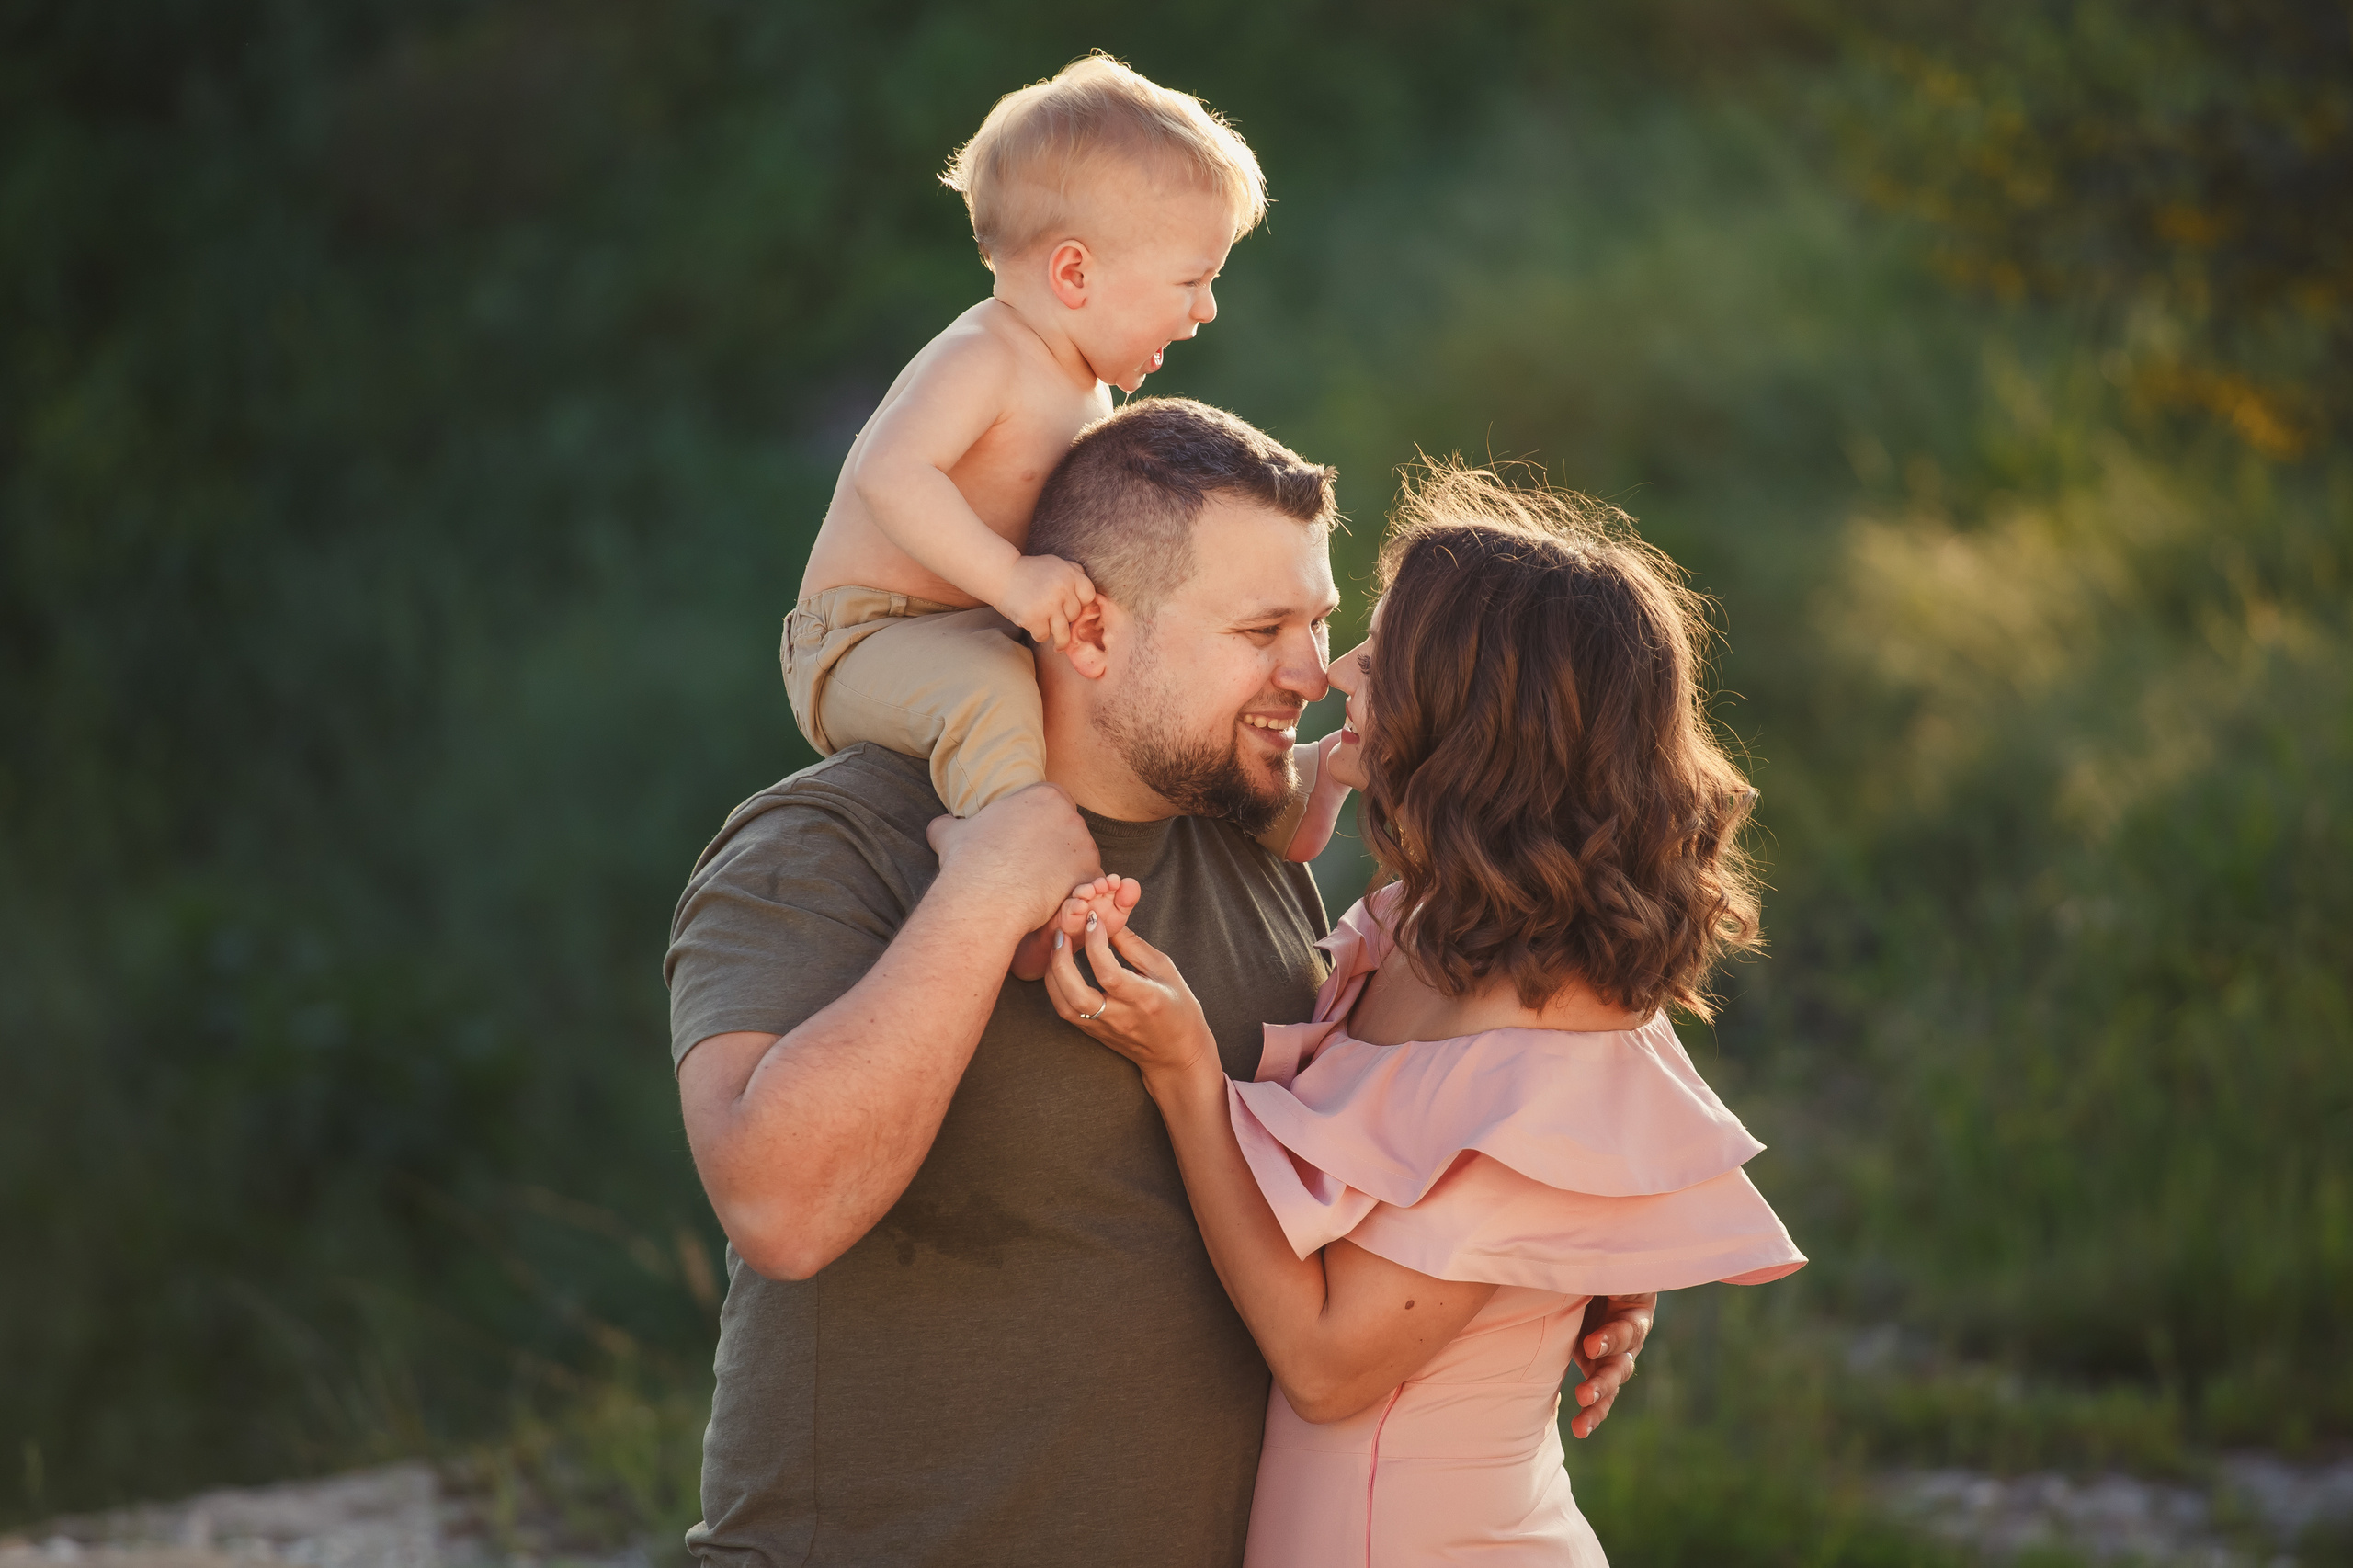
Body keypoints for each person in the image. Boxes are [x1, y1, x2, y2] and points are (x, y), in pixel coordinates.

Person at [667, 403, 1654, 1567]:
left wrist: (1544, 1266)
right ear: (1085, 628)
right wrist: (985, 893)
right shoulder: (839, 842)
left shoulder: (1255, 854)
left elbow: (1400, 1163)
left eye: (1321, 619)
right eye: (1260, 628)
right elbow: (780, 1209)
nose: (1314, 672)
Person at [1043, 461, 1805, 1565]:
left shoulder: (1558, 1040)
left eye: (1383, 652)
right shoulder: (1422, 923)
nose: (1340, 666)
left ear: (1478, 720)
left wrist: (1184, 1075)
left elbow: (1328, 1362)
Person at [785, 52, 1350, 932]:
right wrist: (1013, 583)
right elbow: (891, 475)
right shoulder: (987, 355)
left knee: (1136, 700)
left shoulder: (1088, 389)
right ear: (1075, 275)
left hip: (980, 627)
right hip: (865, 635)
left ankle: (1280, 804)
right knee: (996, 700)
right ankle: (1024, 893)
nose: (1206, 309)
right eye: (1191, 281)